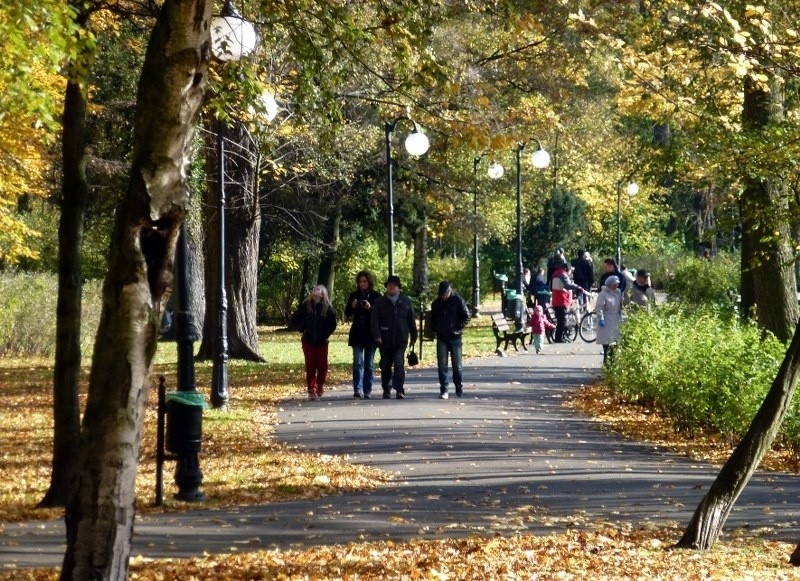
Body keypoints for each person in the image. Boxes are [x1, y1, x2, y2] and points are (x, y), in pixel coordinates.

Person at [371, 275, 418, 399]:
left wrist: (414, 336)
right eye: (389, 285)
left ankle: (399, 389)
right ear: (387, 287)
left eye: (394, 285)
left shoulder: (405, 301)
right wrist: (377, 335)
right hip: (384, 339)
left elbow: (411, 320)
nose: (392, 287)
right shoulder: (379, 302)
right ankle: (386, 388)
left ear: (398, 288)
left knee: (398, 364)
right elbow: (374, 320)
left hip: (400, 339)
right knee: (385, 365)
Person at [290, 284, 337, 401]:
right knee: (310, 366)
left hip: (322, 342)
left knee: (322, 366)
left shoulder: (327, 308)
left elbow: (332, 324)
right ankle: (311, 390)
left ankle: (320, 384)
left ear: (323, 294)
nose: (316, 291)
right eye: (315, 289)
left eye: (319, 290)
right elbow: (295, 319)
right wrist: (302, 328)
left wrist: (325, 334)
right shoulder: (306, 306)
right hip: (308, 341)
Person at [344, 270, 382, 399]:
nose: (362, 284)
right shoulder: (354, 295)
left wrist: (370, 308)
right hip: (357, 333)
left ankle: (367, 390)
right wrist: (353, 306)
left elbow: (380, 315)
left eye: (364, 281)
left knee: (369, 364)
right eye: (360, 282)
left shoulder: (376, 296)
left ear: (369, 282)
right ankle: (357, 389)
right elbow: (347, 313)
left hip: (370, 333)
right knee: (357, 362)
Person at [430, 280, 471, 399]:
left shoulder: (458, 301)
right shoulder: (436, 303)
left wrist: (458, 327)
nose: (443, 297)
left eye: (444, 294)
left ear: (449, 292)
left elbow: (467, 315)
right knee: (442, 365)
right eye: (441, 295)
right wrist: (435, 328)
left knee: (457, 365)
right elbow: (432, 319)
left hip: (455, 337)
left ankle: (458, 385)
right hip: (442, 337)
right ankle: (444, 389)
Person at [550, 257, 585, 343]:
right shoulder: (562, 274)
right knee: (563, 321)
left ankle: (561, 337)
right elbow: (567, 285)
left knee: (561, 320)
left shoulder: (555, 274)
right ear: (566, 268)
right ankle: (559, 338)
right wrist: (578, 287)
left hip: (557, 300)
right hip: (562, 300)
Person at [595, 275, 623, 365]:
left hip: (616, 318)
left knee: (616, 342)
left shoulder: (618, 293)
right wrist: (601, 318)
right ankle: (606, 362)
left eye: (617, 285)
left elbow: (621, 305)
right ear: (609, 285)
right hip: (607, 319)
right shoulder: (603, 294)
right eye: (614, 285)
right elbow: (599, 307)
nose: (615, 287)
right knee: (607, 343)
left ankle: (613, 362)